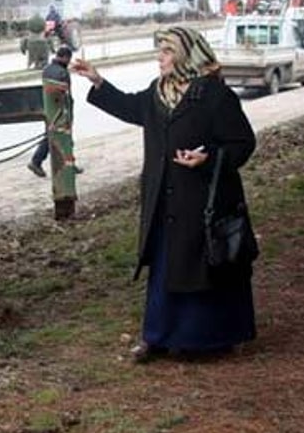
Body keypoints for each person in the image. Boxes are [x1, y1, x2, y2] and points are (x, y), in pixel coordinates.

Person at [71, 26, 257, 362]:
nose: (160, 57)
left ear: (187, 55)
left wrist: (209, 158)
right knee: (165, 266)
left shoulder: (214, 95)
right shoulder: (159, 92)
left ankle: (206, 339)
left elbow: (243, 144)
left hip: (204, 200)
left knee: (205, 266)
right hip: (164, 199)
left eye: (167, 51)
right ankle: (157, 336)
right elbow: (131, 108)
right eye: (160, 51)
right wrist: (98, 82)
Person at [27, 46, 83, 177]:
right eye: (69, 59)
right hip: (61, 109)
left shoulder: (47, 69)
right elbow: (65, 92)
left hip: (48, 108)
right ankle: (39, 161)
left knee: (51, 136)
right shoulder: (62, 72)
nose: (69, 62)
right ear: (65, 57)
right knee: (62, 137)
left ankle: (43, 161)